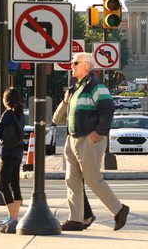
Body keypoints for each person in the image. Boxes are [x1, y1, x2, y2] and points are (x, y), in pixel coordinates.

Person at [53, 52, 129, 231]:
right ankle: (76, 219)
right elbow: (56, 119)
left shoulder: (96, 86)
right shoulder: (75, 88)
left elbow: (108, 108)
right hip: (72, 139)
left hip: (88, 139)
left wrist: (99, 132)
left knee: (92, 178)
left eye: (75, 63)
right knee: (72, 180)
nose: (71, 66)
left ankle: (119, 209)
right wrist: (65, 102)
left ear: (86, 65)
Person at [0, 87, 25, 234]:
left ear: (6, 100)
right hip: (18, 152)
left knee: (3, 186)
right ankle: (14, 217)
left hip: (7, 152)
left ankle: (12, 218)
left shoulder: (7, 114)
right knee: (15, 184)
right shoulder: (21, 114)